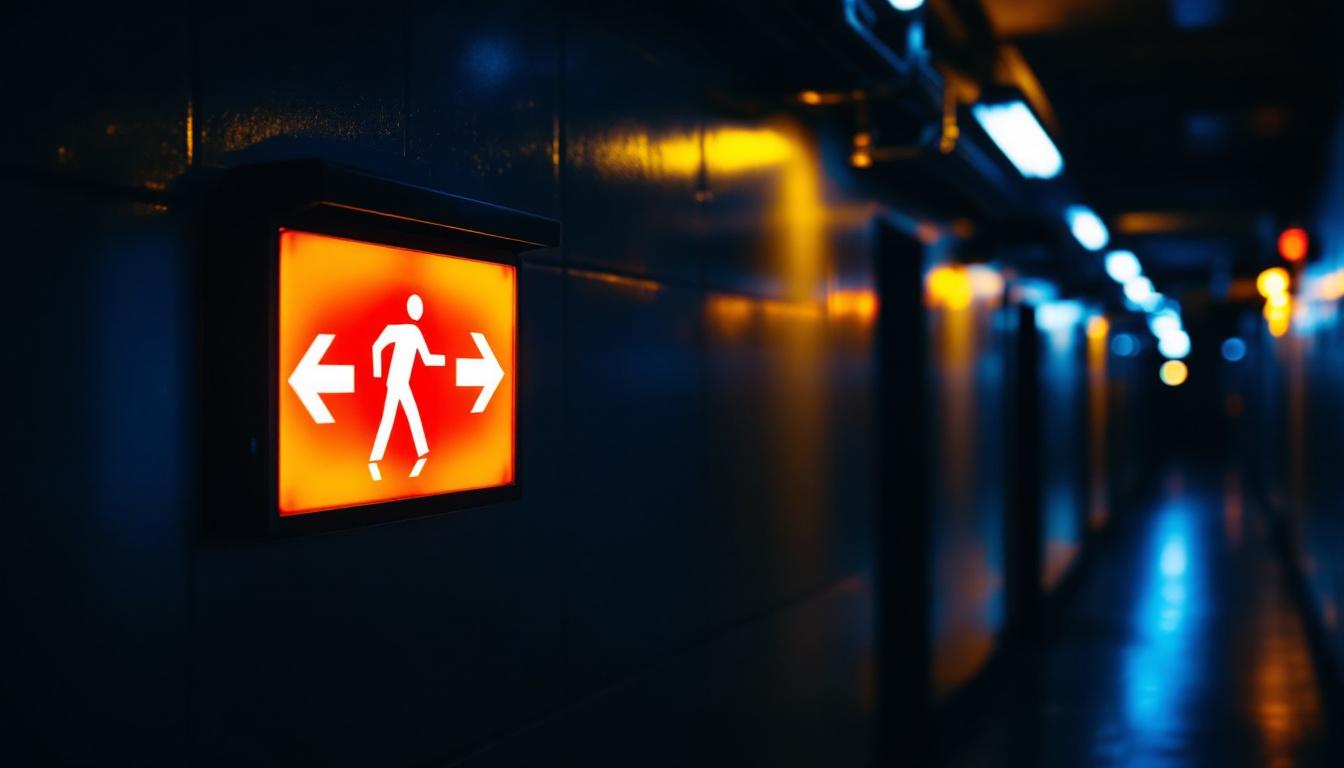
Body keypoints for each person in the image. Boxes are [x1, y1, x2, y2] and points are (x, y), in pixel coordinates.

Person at [368, 294, 444, 480]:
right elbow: (376, 345)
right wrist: (377, 371)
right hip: (396, 381)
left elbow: (426, 358)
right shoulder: (402, 330)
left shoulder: (415, 332)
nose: (419, 312)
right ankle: (378, 456)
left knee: (401, 414)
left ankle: (416, 450)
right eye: (417, 308)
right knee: (396, 416)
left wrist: (445, 359)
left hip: (401, 382)